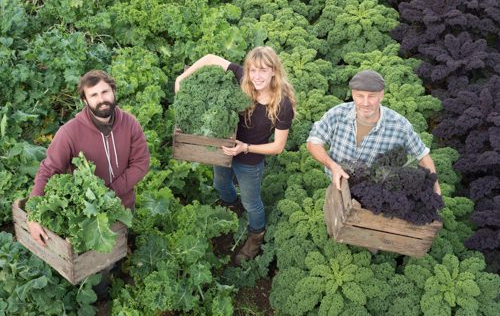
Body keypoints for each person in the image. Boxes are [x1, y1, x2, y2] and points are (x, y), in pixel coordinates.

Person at [175, 46, 296, 264]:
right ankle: (230, 205)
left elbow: (278, 146)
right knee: (220, 184)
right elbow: (211, 57)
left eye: (263, 70)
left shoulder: (282, 104)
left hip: (250, 159)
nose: (256, 76)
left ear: (274, 71)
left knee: (252, 202)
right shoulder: (243, 79)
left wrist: (245, 147)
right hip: (223, 149)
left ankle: (255, 236)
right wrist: (182, 78)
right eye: (252, 70)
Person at [28, 70, 150, 246]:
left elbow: (141, 163)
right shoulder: (69, 133)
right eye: (94, 95)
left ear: (114, 91)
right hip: (88, 216)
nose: (101, 100)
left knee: (119, 249)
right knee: (94, 262)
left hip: (123, 205)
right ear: (85, 100)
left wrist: (110, 193)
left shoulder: (130, 124)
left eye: (105, 92)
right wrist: (32, 215)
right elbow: (49, 170)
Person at [306, 69, 441, 195]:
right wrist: (333, 166)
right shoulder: (337, 114)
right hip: (336, 186)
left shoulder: (399, 126)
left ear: (381, 95)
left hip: (375, 195)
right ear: (353, 94)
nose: (365, 103)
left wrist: (435, 191)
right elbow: (314, 142)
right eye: (360, 96)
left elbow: (422, 156)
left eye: (371, 96)